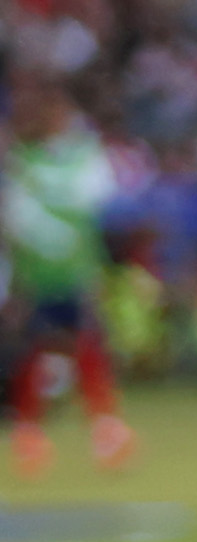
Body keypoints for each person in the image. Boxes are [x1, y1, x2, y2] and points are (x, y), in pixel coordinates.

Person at [5, 78, 134, 478]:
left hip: (76, 271)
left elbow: (103, 198)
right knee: (38, 350)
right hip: (40, 274)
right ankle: (30, 432)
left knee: (86, 346)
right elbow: (17, 218)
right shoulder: (25, 161)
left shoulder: (81, 158)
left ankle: (104, 428)